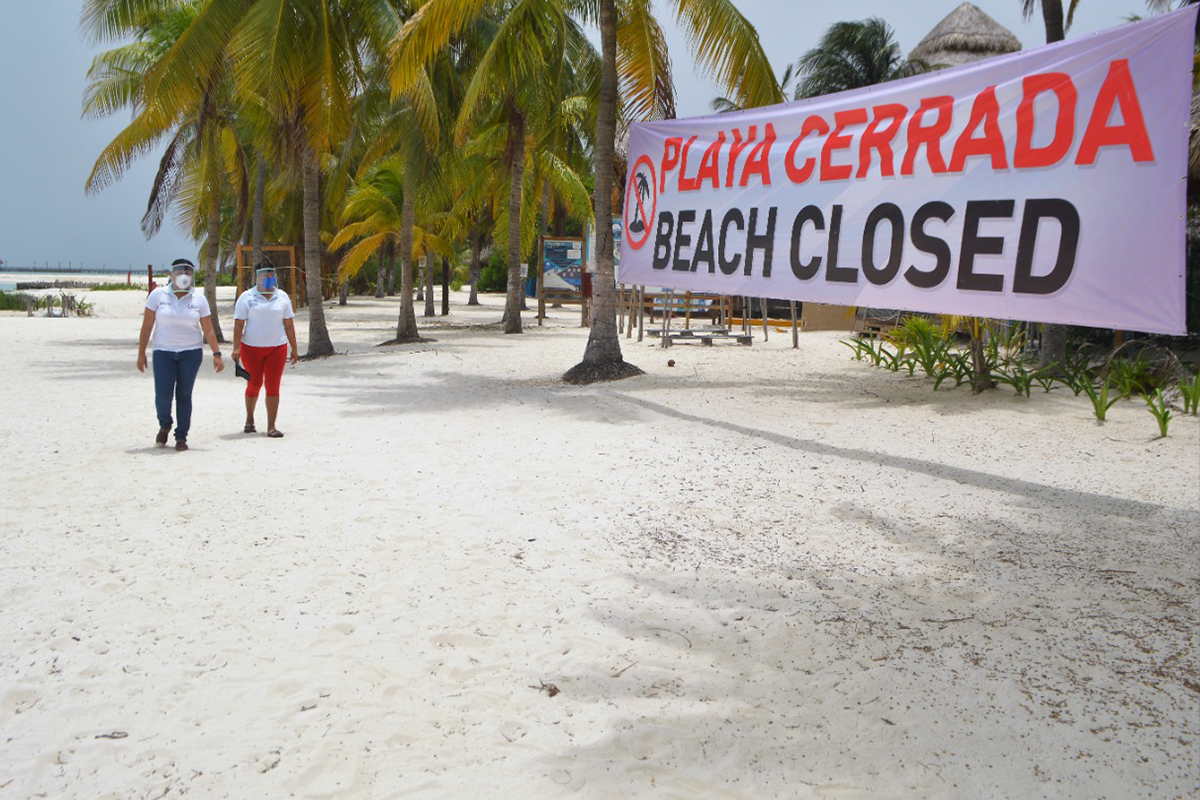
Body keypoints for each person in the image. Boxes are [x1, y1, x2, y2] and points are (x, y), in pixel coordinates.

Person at [137, 258, 224, 451]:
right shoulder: (158, 295)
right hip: (163, 352)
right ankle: (165, 424)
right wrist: (141, 353)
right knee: (163, 396)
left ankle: (181, 437)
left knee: (184, 395)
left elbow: (208, 329)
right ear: (172, 274)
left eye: (188, 273)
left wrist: (216, 353)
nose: (183, 276)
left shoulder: (198, 299)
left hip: (190, 353)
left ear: (192, 276)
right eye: (179, 272)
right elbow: (147, 325)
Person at [232, 264, 298, 438]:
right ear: (257, 277)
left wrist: (294, 348)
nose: (268, 278)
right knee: (254, 384)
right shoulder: (247, 297)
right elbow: (239, 324)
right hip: (251, 348)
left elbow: (289, 324)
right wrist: (236, 347)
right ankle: (249, 419)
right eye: (264, 275)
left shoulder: (282, 296)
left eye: (271, 274)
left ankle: (271, 426)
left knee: (273, 385)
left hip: (277, 348)